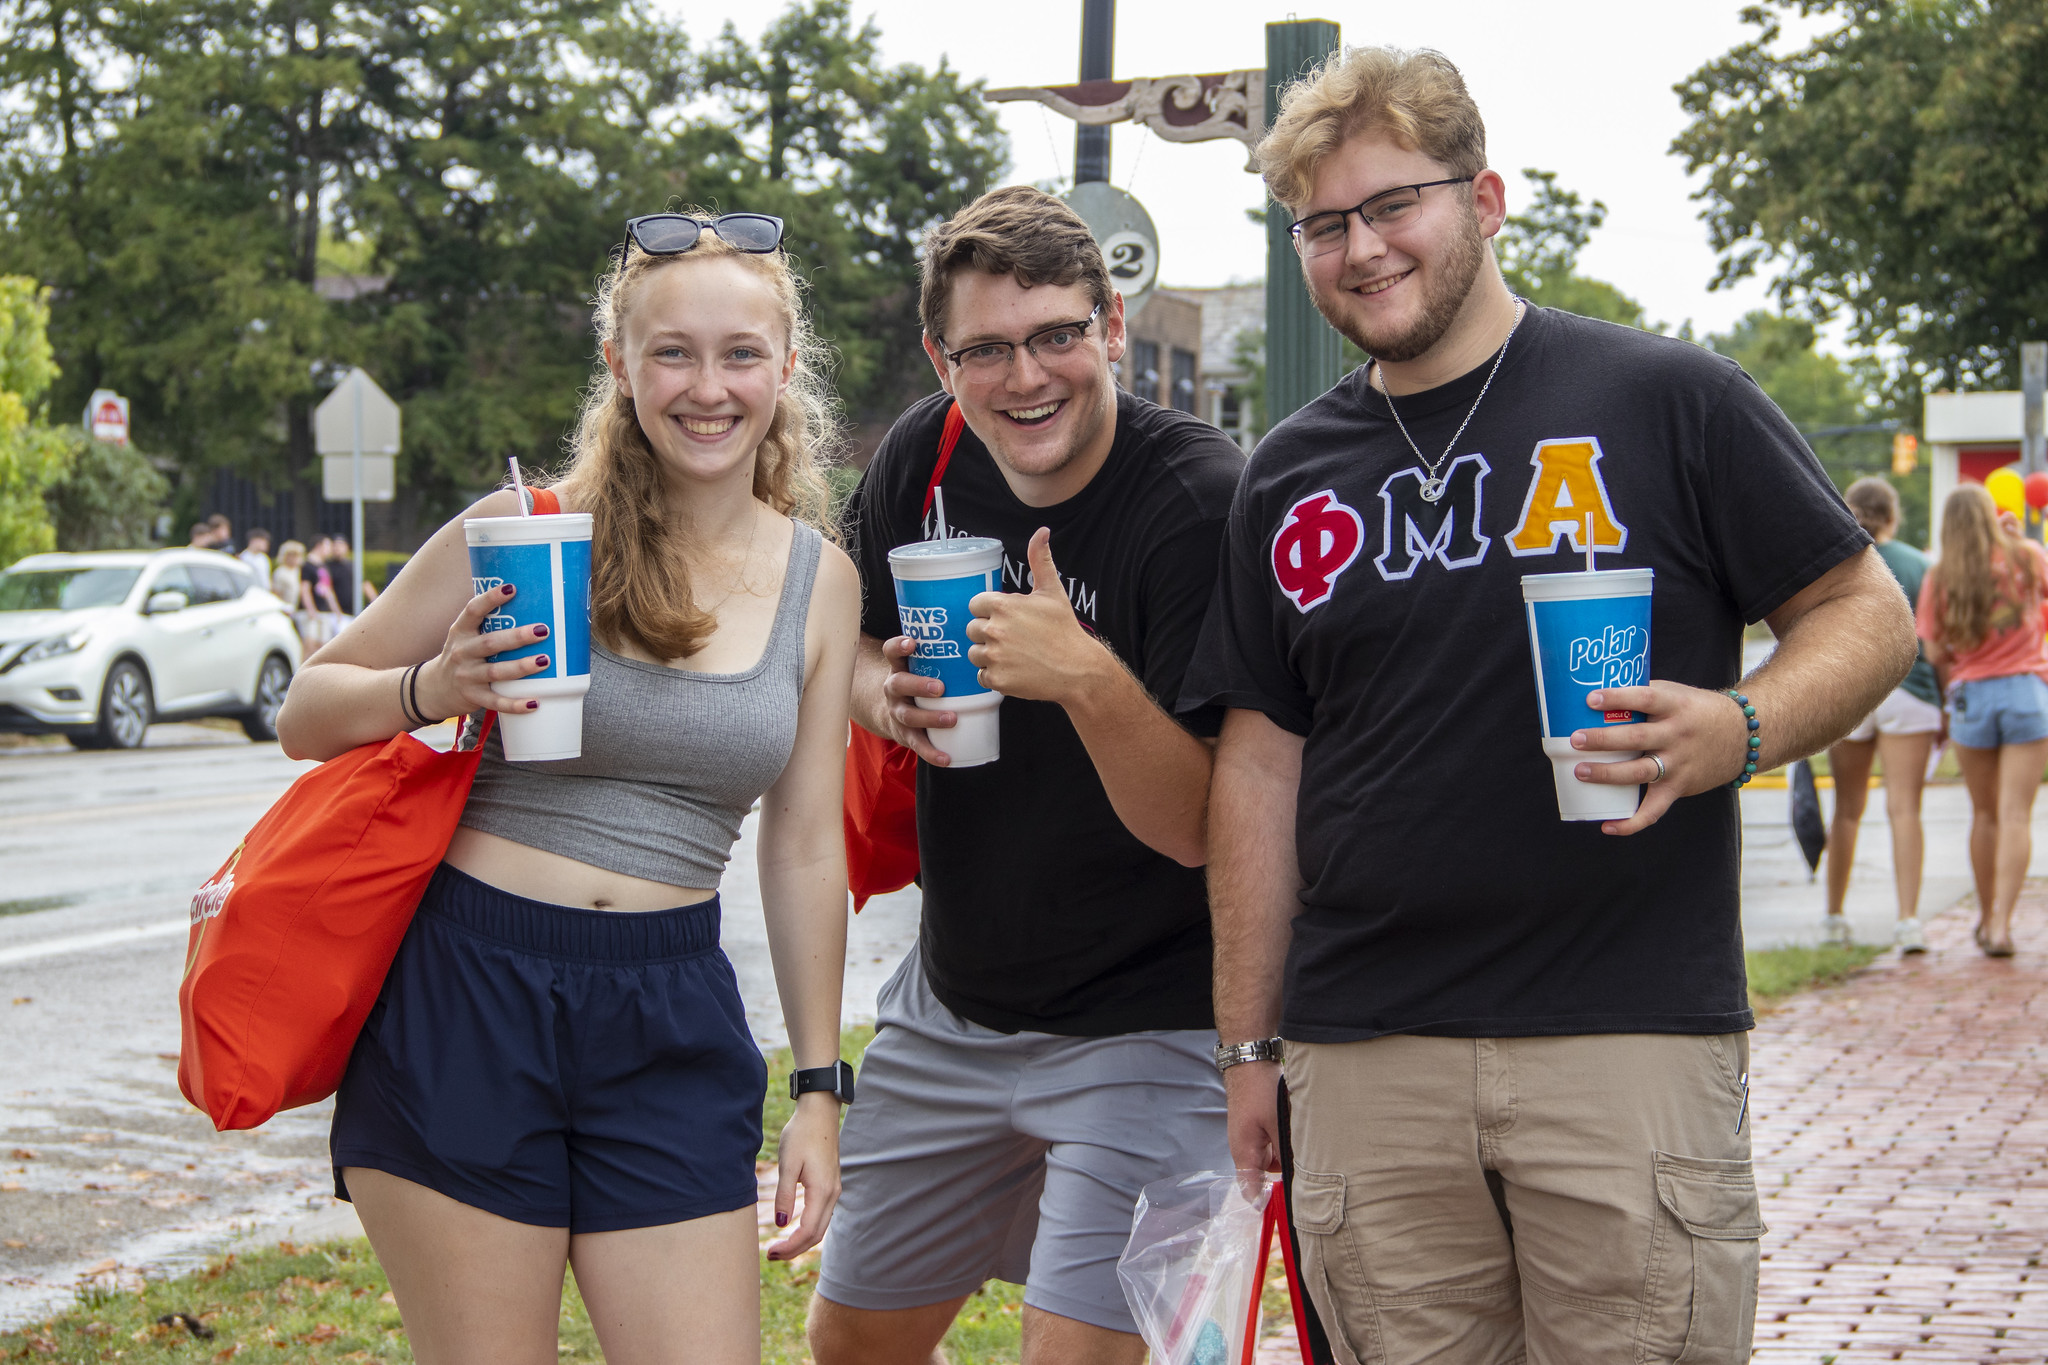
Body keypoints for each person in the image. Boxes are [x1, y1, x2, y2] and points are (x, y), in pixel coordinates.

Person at [1180, 47, 1918, 1365]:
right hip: (1364, 1052)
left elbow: (1865, 614)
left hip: (1626, 1031)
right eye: (1323, 225)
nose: (1361, 249)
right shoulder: (1286, 476)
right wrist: (1249, 1042)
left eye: (1392, 204)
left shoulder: (1667, 399)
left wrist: (1735, 727)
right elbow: (1259, 772)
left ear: (1487, 199)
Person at [275, 208, 859, 1363]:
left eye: (740, 353)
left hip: (668, 1009)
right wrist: (434, 687)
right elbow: (306, 708)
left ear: (784, 367)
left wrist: (819, 1090)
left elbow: (802, 850)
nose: (708, 386)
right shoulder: (522, 531)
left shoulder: (819, 582)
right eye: (672, 352)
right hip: (466, 997)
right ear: (620, 365)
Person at [810, 185, 1245, 1365]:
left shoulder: (1197, 502)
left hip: (1147, 1025)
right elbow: (841, 638)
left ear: (1111, 325)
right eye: (986, 349)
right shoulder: (925, 456)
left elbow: (1208, 827)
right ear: (938, 359)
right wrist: (879, 696)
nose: (1025, 377)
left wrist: (1087, 679)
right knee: (849, 1345)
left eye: (1056, 334)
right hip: (953, 1007)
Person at [1916, 481, 2048, 958]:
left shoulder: (1942, 576)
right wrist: (2017, 542)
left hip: (1971, 694)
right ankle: (2002, 925)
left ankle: (1984, 911)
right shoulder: (2027, 556)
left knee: (1985, 813)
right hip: (2028, 692)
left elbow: (1932, 649)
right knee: (2017, 814)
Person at [1822, 477, 1943, 952]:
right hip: (1909, 691)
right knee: (1904, 808)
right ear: (1894, 516)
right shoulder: (1918, 565)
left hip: (1850, 692)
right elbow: (1932, 641)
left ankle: (1834, 916)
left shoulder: (1838, 556)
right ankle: (1908, 920)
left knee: (1847, 811)